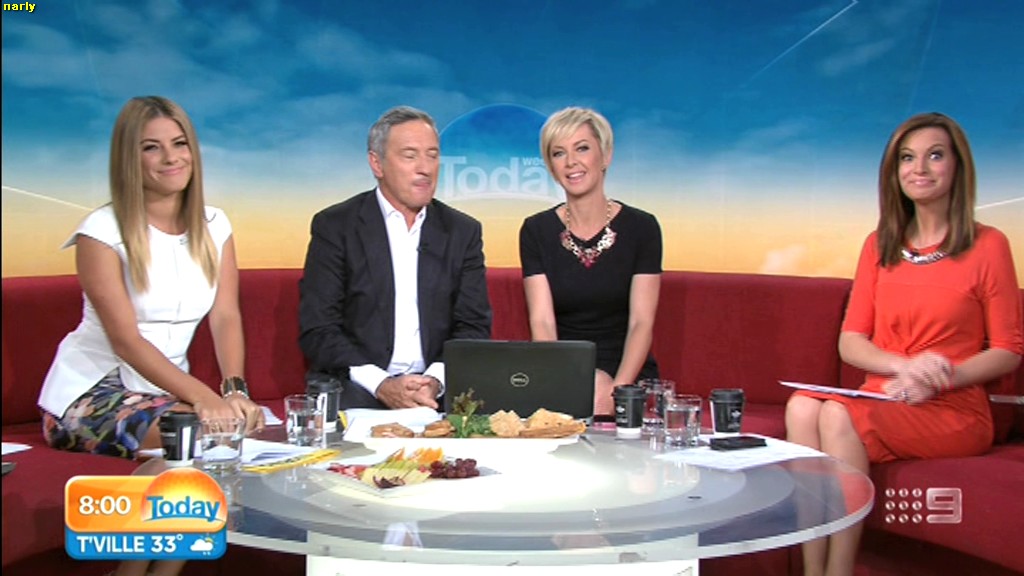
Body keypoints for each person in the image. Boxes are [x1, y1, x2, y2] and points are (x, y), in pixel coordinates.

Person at [785, 112, 1022, 576]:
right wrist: (904, 368)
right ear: (894, 173)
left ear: (957, 166)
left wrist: (939, 377)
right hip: (883, 395)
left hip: (951, 407)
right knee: (801, 407)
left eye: (935, 156)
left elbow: (1008, 350)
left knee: (835, 415)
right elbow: (851, 343)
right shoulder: (879, 245)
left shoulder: (989, 245)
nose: (920, 168)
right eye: (907, 159)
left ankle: (839, 572)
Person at [36, 96, 264, 576]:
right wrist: (204, 398)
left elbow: (225, 314)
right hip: (89, 393)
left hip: (163, 393)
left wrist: (234, 390)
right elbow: (125, 341)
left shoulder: (215, 225)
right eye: (151, 148)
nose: (170, 158)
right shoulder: (101, 232)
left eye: (179, 144)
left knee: (215, 439)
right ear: (129, 158)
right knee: (194, 440)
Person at [298, 105, 492, 411]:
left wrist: (434, 380)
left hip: (438, 387)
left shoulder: (462, 231)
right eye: (410, 155)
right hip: (359, 384)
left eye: (432, 155)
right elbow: (318, 328)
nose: (425, 168)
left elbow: (473, 325)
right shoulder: (336, 226)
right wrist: (382, 385)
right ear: (377, 163)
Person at [519, 107, 663, 416]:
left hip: (627, 369)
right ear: (551, 167)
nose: (571, 162)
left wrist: (619, 392)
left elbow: (641, 323)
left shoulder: (642, 227)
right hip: (563, 366)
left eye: (582, 148)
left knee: (598, 392)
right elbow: (542, 322)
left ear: (605, 156)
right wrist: (559, 383)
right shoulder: (536, 230)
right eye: (559, 153)